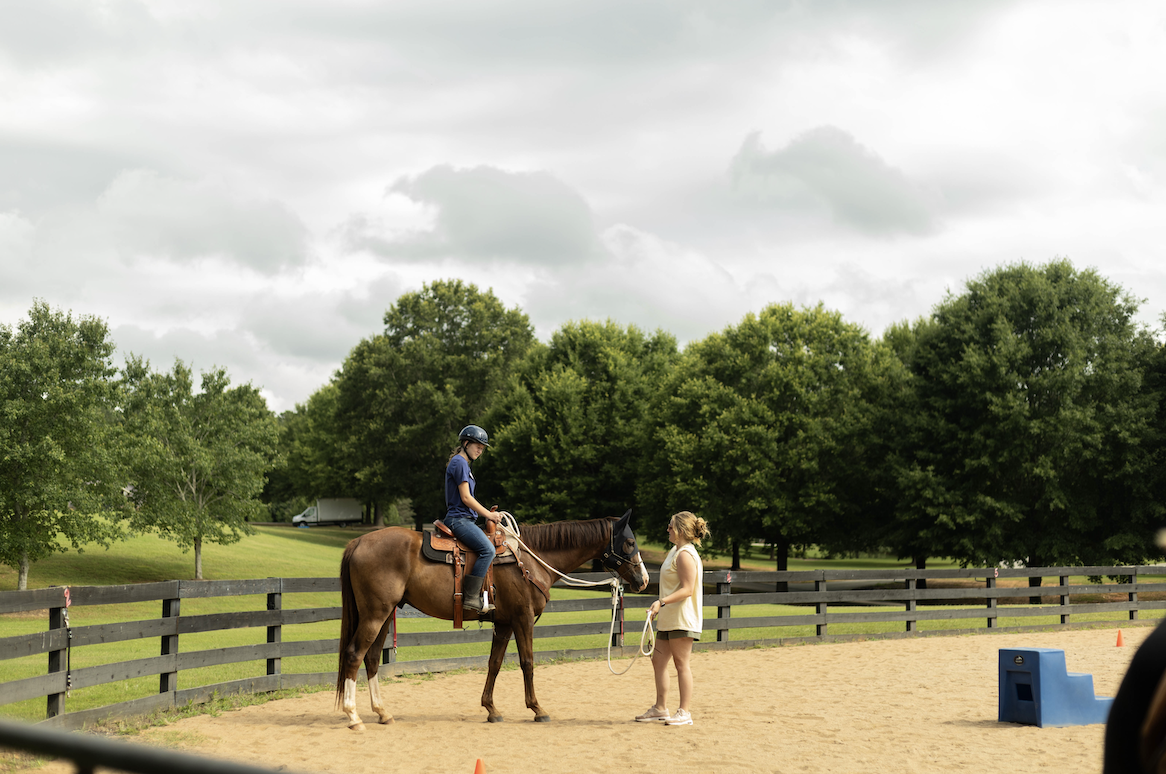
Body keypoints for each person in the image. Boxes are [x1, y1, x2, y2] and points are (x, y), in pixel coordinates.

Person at [636, 510, 710, 727]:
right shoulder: (675, 551)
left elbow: (687, 590)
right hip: (669, 618)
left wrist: (661, 602)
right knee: (658, 661)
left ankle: (684, 712)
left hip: (682, 618)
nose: (667, 529)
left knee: (681, 664)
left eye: (671, 526)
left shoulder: (685, 555)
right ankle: (660, 708)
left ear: (680, 531)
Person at [443, 424, 502, 613]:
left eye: (482, 448)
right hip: (459, 520)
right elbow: (466, 498)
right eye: (478, 446)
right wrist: (489, 515)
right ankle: (470, 598)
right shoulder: (460, 463)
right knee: (488, 550)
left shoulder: (462, 464)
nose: (480, 450)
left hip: (464, 519)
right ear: (466, 443)